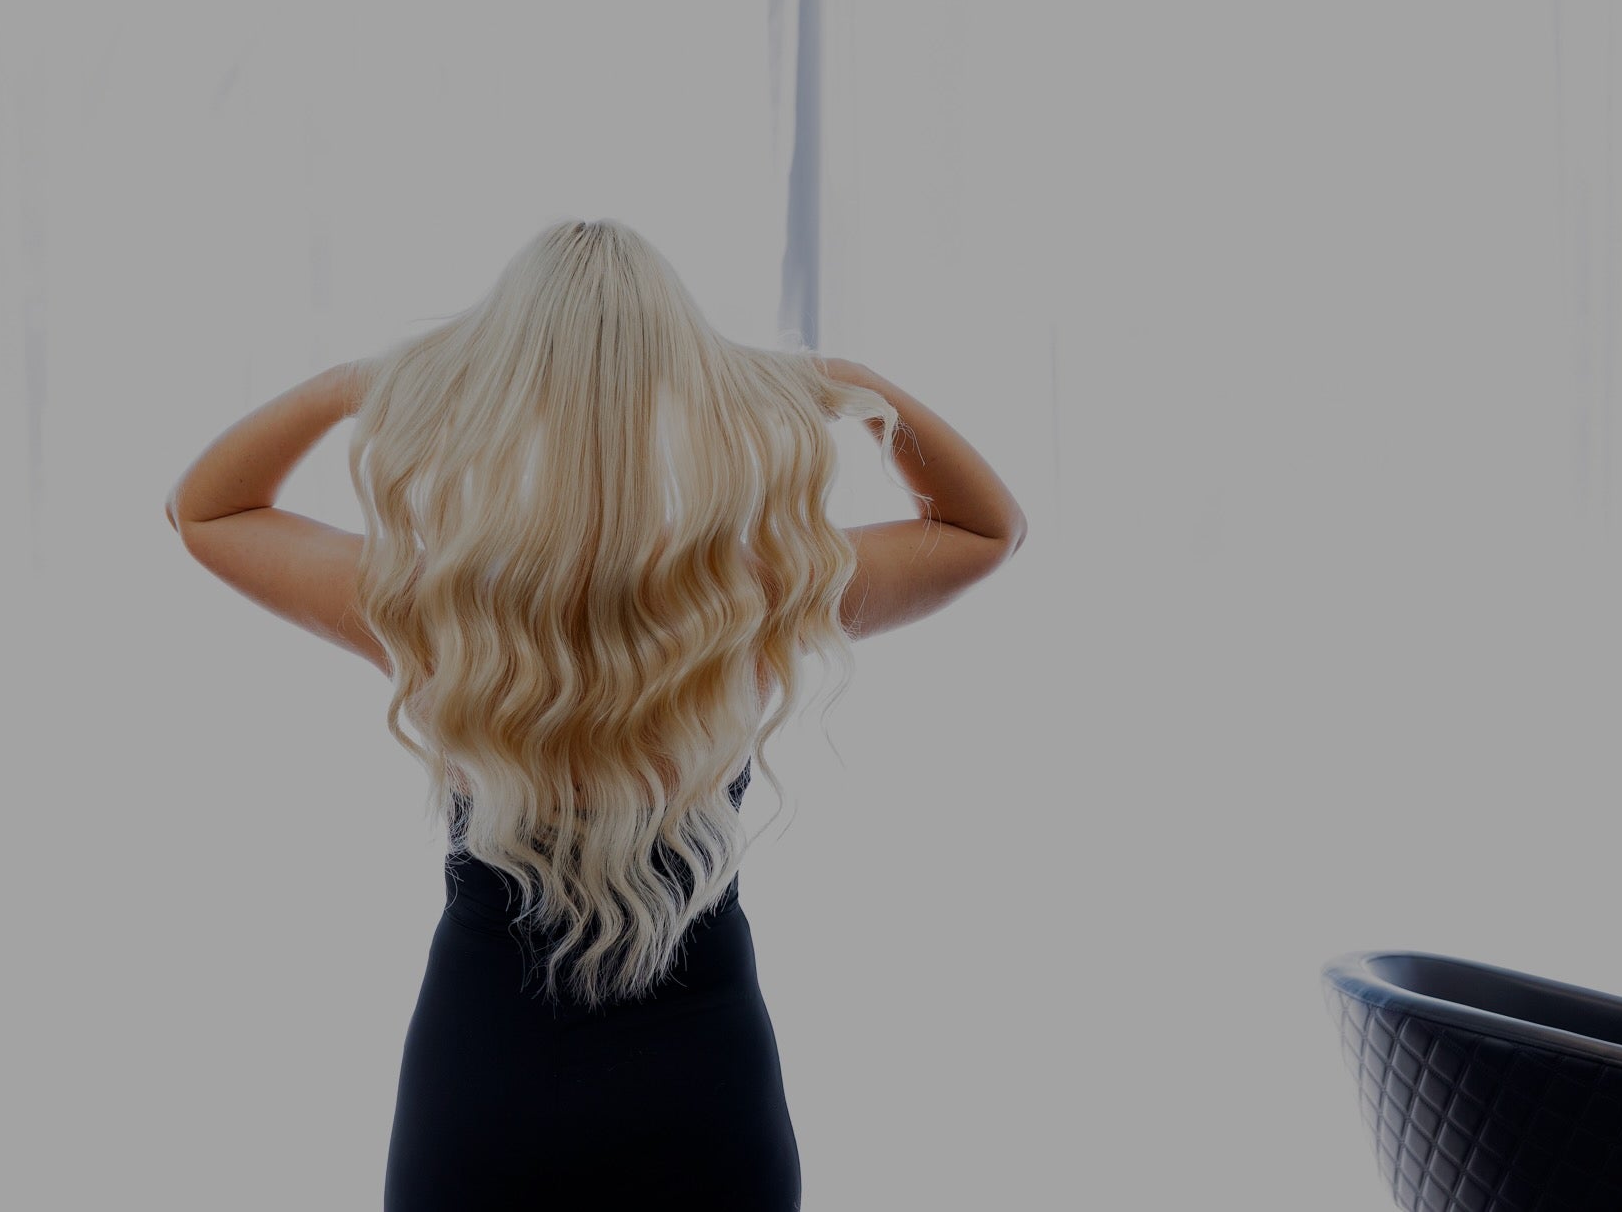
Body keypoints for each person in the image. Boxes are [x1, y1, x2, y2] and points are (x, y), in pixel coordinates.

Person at [163, 218, 1027, 1209]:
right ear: (685, 392)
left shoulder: (440, 611)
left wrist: (365, 383)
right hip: (705, 1088)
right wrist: (839, 383)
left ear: (501, 391)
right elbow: (984, 527)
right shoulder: (750, 600)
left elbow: (207, 508)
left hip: (482, 1087)